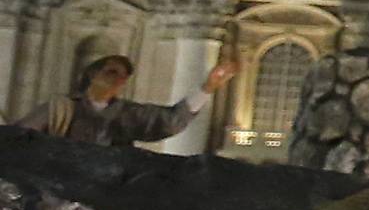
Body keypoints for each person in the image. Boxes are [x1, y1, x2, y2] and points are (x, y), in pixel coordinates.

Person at [18, 50, 233, 147]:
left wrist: (208, 87)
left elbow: (171, 120)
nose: (118, 79)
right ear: (93, 74)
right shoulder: (60, 108)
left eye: (123, 76)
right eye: (112, 72)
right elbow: (20, 137)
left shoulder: (129, 114)